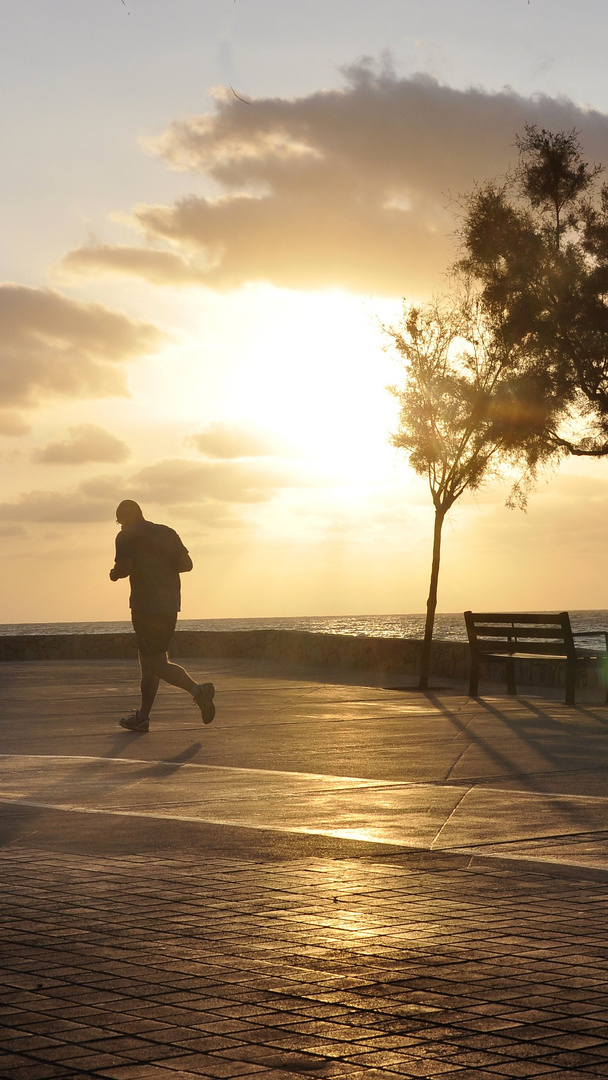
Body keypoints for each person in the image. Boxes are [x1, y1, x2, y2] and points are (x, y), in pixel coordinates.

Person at [109, 499, 215, 732]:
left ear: (124, 518)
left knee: (154, 664)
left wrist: (114, 574)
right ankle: (143, 717)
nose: (120, 527)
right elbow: (186, 564)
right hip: (169, 606)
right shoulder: (166, 532)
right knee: (150, 663)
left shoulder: (126, 536)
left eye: (119, 522)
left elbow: (124, 568)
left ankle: (199, 691)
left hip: (146, 607)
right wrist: (160, 563)